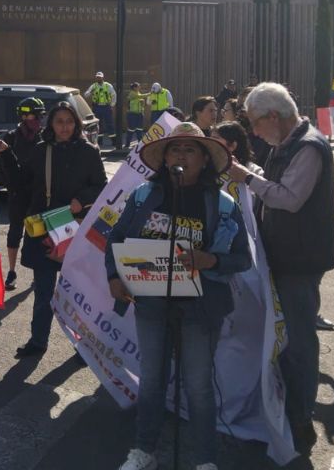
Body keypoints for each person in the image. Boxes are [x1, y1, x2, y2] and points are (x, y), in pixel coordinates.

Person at [107, 123, 251, 470]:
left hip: (201, 309)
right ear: (165, 159)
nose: (181, 155)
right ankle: (144, 451)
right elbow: (117, 238)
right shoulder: (144, 195)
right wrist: (114, 276)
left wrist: (211, 260)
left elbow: (243, 258)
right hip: (152, 304)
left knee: (199, 386)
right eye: (175, 149)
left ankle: (204, 460)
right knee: (152, 380)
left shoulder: (223, 203)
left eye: (190, 149)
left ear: (204, 159)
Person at [225, 82, 334, 454]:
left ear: (274, 116)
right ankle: (285, 411)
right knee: (283, 339)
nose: (253, 132)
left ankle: (300, 417)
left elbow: (288, 199)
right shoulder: (283, 144)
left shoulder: (309, 146)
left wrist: (248, 178)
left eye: (255, 124)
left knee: (299, 341)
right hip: (283, 257)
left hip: (300, 262)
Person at [6, 102, 107, 358]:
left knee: (78, 294)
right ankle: (38, 341)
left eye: (69, 121)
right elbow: (20, 182)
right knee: (43, 292)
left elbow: (100, 186)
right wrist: (4, 153)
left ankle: (82, 347)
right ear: (51, 124)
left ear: (77, 124)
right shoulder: (41, 151)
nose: (65, 127)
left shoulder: (89, 151)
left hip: (76, 229)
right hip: (46, 229)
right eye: (59, 121)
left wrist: (81, 199)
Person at [0, 97, 47, 290]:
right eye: (34, 114)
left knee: (36, 233)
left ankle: (37, 272)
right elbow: (2, 166)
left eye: (39, 115)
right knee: (15, 232)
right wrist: (12, 187)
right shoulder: (11, 137)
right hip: (18, 195)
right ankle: (11, 271)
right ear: (23, 116)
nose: (37, 119)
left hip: (38, 195)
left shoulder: (44, 137)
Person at [84, 71, 116, 146]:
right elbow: (86, 95)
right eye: (97, 77)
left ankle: (114, 141)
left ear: (103, 77)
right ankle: (99, 141)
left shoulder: (108, 86)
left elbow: (114, 95)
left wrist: (112, 105)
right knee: (98, 124)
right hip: (97, 107)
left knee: (109, 124)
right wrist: (90, 92)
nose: (98, 78)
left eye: (100, 77)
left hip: (106, 107)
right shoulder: (93, 86)